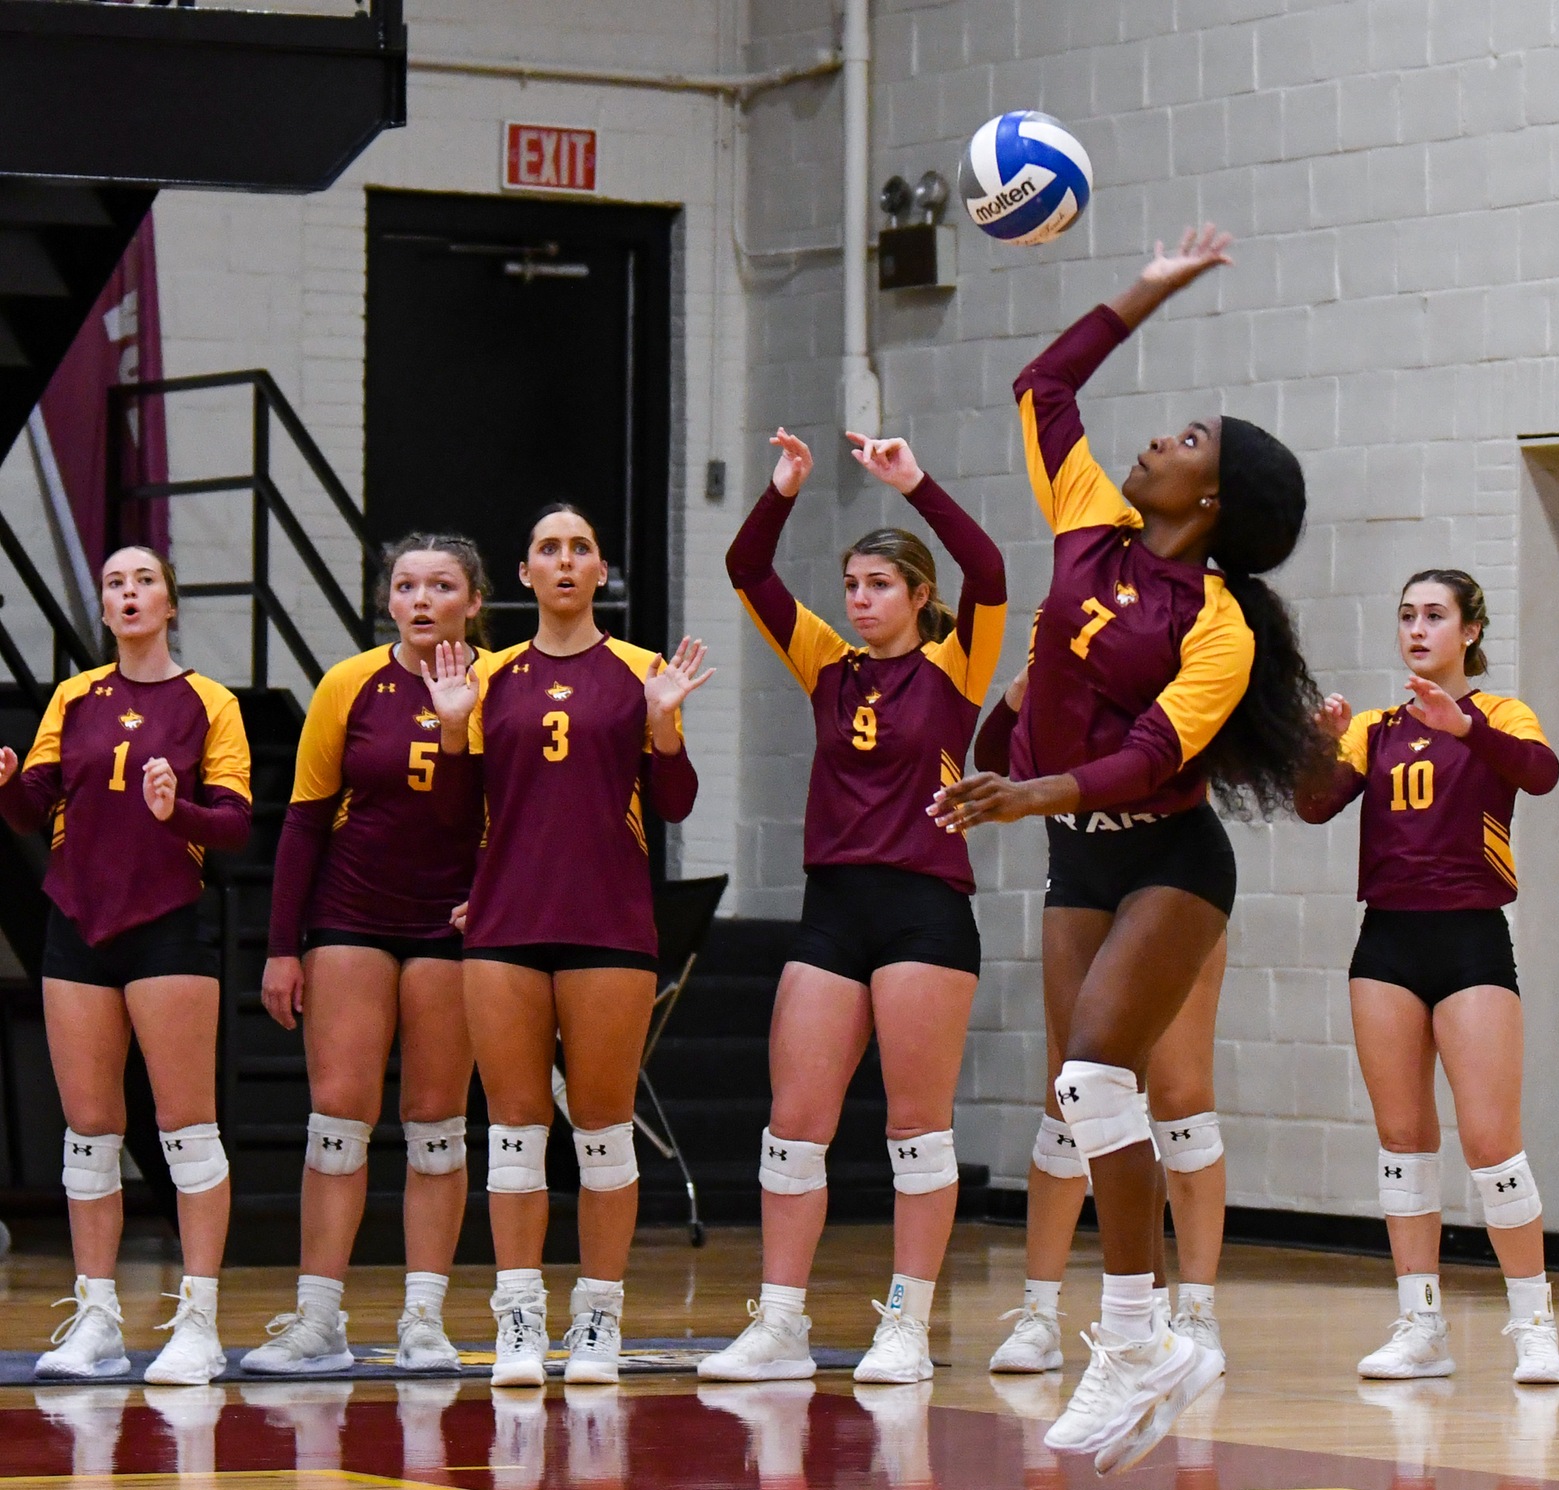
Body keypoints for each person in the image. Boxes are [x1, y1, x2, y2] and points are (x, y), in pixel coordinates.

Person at [932, 224, 1323, 1473]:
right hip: (1076, 858)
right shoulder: (1089, 524)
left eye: (1188, 441)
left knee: (1106, 1076)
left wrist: (1024, 791)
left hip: (1166, 860)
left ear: (1208, 503)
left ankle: (1132, 1333)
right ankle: (1144, 1341)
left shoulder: (1217, 625)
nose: (1157, 438)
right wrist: (1146, 289)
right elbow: (1043, 388)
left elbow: (1149, 764)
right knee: (1078, 1092)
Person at [698, 426, 1005, 1386]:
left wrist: (914, 481)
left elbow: (988, 567)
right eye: (853, 585)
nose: (860, 600)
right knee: (794, 1124)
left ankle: (905, 1326)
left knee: (915, 1127)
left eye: (879, 585)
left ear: (918, 596)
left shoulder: (956, 665)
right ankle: (781, 1323)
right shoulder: (826, 663)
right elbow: (748, 566)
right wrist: (784, 485)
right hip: (831, 904)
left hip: (924, 909)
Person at [453, 502, 712, 1387]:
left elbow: (674, 804)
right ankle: (519, 1315)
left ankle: (597, 1316)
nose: (564, 561)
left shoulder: (641, 671)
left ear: (601, 570)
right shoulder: (486, 676)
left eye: (581, 548)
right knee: (515, 1130)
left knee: (602, 1129)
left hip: (608, 924)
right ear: (523, 575)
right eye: (547, 548)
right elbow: (456, 811)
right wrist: (453, 732)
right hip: (503, 927)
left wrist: (666, 725)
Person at [1295, 569, 1559, 1385]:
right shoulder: (1374, 728)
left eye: (1435, 615)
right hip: (1385, 943)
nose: (1417, 628)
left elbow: (1541, 773)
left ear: (1470, 631)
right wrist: (1315, 745)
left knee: (1491, 1143)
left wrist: (1464, 729)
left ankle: (1533, 1323)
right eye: (1406, 614)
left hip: (1469, 939)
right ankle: (1420, 1324)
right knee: (1404, 1142)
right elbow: (1314, 806)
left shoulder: (1500, 714)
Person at [0, 546, 251, 1385]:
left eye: (144, 580)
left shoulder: (208, 702)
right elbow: (32, 805)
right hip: (78, 923)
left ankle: (200, 1321)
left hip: (166, 926)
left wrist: (171, 808)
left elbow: (234, 825)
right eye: (114, 583)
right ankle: (97, 1316)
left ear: (169, 602)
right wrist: (5, 785)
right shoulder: (73, 697)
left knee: (187, 1130)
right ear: (104, 608)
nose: (129, 592)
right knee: (90, 1132)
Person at [244, 535, 490, 1375]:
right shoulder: (350, 683)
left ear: (473, 601)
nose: (422, 599)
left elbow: (516, 815)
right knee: (338, 1120)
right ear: (389, 600)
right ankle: (318, 1320)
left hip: (451, 927)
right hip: (350, 916)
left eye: (441, 585)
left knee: (436, 1124)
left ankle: (423, 1319)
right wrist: (284, 946)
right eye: (406, 585)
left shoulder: (500, 685)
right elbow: (305, 819)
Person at [975, 670, 1232, 1376]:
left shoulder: (1155, 659)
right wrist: (1020, 689)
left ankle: (1195, 1312)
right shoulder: (1044, 685)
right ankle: (1039, 1312)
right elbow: (990, 756)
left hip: (1170, 875)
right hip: (1080, 874)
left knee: (1179, 1097)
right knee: (1069, 1096)